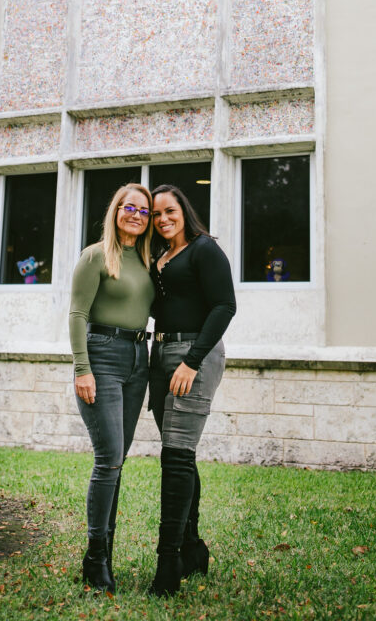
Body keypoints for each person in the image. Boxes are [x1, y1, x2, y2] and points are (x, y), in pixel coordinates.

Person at [147, 184, 237, 596]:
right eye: (156, 214)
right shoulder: (158, 258)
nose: (163, 219)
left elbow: (224, 306)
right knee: (180, 455)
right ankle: (193, 548)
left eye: (170, 211)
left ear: (183, 210)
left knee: (176, 457)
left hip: (192, 355)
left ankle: (168, 567)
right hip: (159, 353)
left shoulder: (204, 249)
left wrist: (191, 360)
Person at [69, 184, 154, 593]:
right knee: (108, 460)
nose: (136, 214)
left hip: (140, 360)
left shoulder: (147, 259)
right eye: (128, 207)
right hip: (101, 357)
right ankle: (95, 557)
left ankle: (106, 550)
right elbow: (77, 314)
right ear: (116, 210)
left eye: (144, 209)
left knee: (118, 460)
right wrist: (81, 368)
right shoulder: (96, 256)